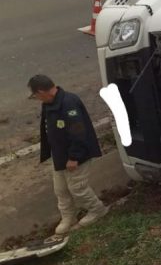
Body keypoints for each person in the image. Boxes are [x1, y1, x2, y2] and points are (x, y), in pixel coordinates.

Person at [28, 75, 108, 235]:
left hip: (76, 156)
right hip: (59, 155)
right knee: (61, 190)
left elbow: (79, 133)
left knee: (77, 188)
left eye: (35, 95)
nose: (36, 99)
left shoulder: (68, 104)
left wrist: (74, 157)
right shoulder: (49, 103)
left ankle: (97, 210)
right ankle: (68, 217)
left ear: (42, 91)